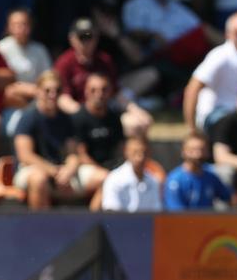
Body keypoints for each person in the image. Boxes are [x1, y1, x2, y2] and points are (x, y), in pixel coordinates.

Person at [12, 71, 98, 210]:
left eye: (57, 90)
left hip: (62, 171)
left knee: (103, 178)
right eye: (47, 90)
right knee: (39, 179)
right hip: (32, 170)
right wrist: (53, 172)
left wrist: (69, 169)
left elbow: (73, 153)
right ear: (38, 91)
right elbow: (25, 156)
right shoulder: (27, 118)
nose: (52, 95)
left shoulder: (66, 119)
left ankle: (95, 222)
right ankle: (41, 223)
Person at [183, 12, 237, 134]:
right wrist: (192, 129)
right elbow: (192, 89)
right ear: (228, 34)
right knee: (232, 124)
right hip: (216, 113)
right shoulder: (218, 56)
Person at [72, 73, 123, 205]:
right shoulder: (78, 118)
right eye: (93, 90)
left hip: (111, 166)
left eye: (104, 90)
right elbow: (81, 155)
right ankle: (93, 216)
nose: (99, 94)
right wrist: (103, 170)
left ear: (110, 92)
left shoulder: (114, 117)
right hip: (85, 168)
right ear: (86, 92)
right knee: (108, 180)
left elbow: (120, 148)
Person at [164, 132, 231, 210]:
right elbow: (175, 213)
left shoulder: (211, 176)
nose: (198, 154)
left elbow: (229, 197)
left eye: (202, 150)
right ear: (183, 151)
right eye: (192, 150)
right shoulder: (175, 180)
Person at [101, 135, 163, 212]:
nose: (140, 157)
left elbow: (156, 212)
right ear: (126, 152)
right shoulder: (113, 179)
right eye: (135, 152)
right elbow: (112, 214)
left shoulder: (153, 181)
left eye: (144, 152)